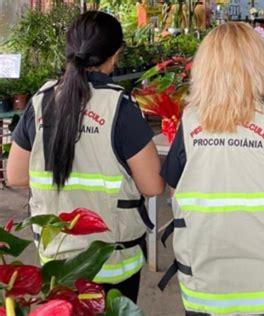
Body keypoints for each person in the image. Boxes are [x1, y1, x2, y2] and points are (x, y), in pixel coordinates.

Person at [158, 22, 264, 315]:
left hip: (206, 292)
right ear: (262, 63)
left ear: (205, 67)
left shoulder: (190, 122)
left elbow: (174, 189)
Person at [6, 11, 164, 303]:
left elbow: (15, 175)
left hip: (58, 262)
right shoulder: (120, 108)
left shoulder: (40, 102)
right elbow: (153, 185)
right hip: (113, 262)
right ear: (115, 55)